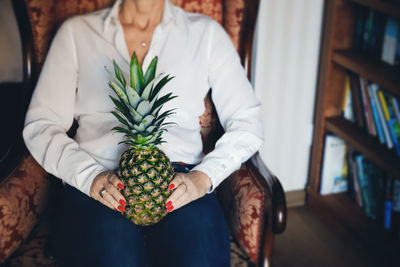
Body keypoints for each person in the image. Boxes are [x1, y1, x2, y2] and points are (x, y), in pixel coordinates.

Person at [22, 0, 264, 266]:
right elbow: (41, 124)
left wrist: (203, 178)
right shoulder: (77, 32)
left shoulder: (206, 34)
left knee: (200, 260)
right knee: (114, 259)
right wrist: (89, 177)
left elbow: (247, 122)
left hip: (182, 181)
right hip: (96, 182)